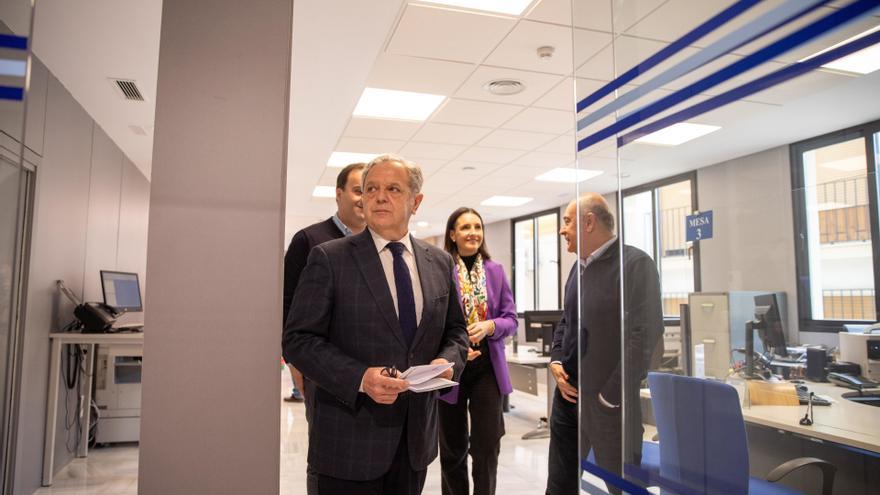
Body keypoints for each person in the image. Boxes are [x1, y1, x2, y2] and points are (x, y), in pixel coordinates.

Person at [284, 153, 469, 495]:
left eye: (393, 189)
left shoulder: (439, 263)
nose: (380, 196)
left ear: (416, 201)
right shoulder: (329, 258)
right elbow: (298, 340)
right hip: (348, 442)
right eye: (371, 189)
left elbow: (456, 330)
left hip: (415, 442)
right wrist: (359, 377)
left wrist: (448, 362)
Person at [545, 193, 663, 495]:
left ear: (589, 222)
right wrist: (556, 360)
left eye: (567, 221)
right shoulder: (577, 268)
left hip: (611, 408)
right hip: (568, 400)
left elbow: (645, 335)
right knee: (559, 485)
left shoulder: (635, 264)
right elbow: (565, 322)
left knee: (621, 488)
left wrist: (608, 397)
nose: (562, 230)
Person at [281, 162, 366, 495]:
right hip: (322, 370)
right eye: (359, 189)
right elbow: (287, 306)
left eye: (370, 190)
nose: (365, 198)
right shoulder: (310, 240)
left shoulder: (376, 244)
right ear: (339, 194)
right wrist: (296, 364)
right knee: (329, 458)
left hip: (367, 369)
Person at [437, 207, 517, 495]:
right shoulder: (440, 267)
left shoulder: (494, 271)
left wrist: (490, 326)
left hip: (487, 368)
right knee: (452, 447)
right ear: (452, 234)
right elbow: (434, 321)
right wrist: (454, 351)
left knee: (486, 446)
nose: (473, 233)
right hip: (451, 368)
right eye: (465, 227)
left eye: (477, 227)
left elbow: (511, 319)